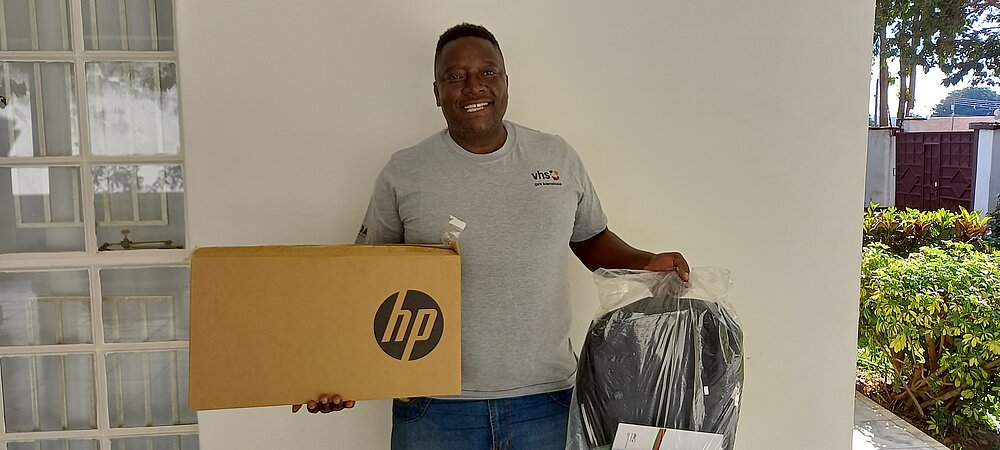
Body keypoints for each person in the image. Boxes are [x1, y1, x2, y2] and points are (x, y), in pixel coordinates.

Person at [293, 23, 689, 450]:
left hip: (549, 402)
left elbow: (590, 240)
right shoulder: (404, 172)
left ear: (505, 81)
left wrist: (645, 263)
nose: (473, 86)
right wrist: (335, 372)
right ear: (437, 92)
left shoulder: (557, 157)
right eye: (455, 76)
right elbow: (364, 282)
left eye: (487, 72)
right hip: (434, 408)